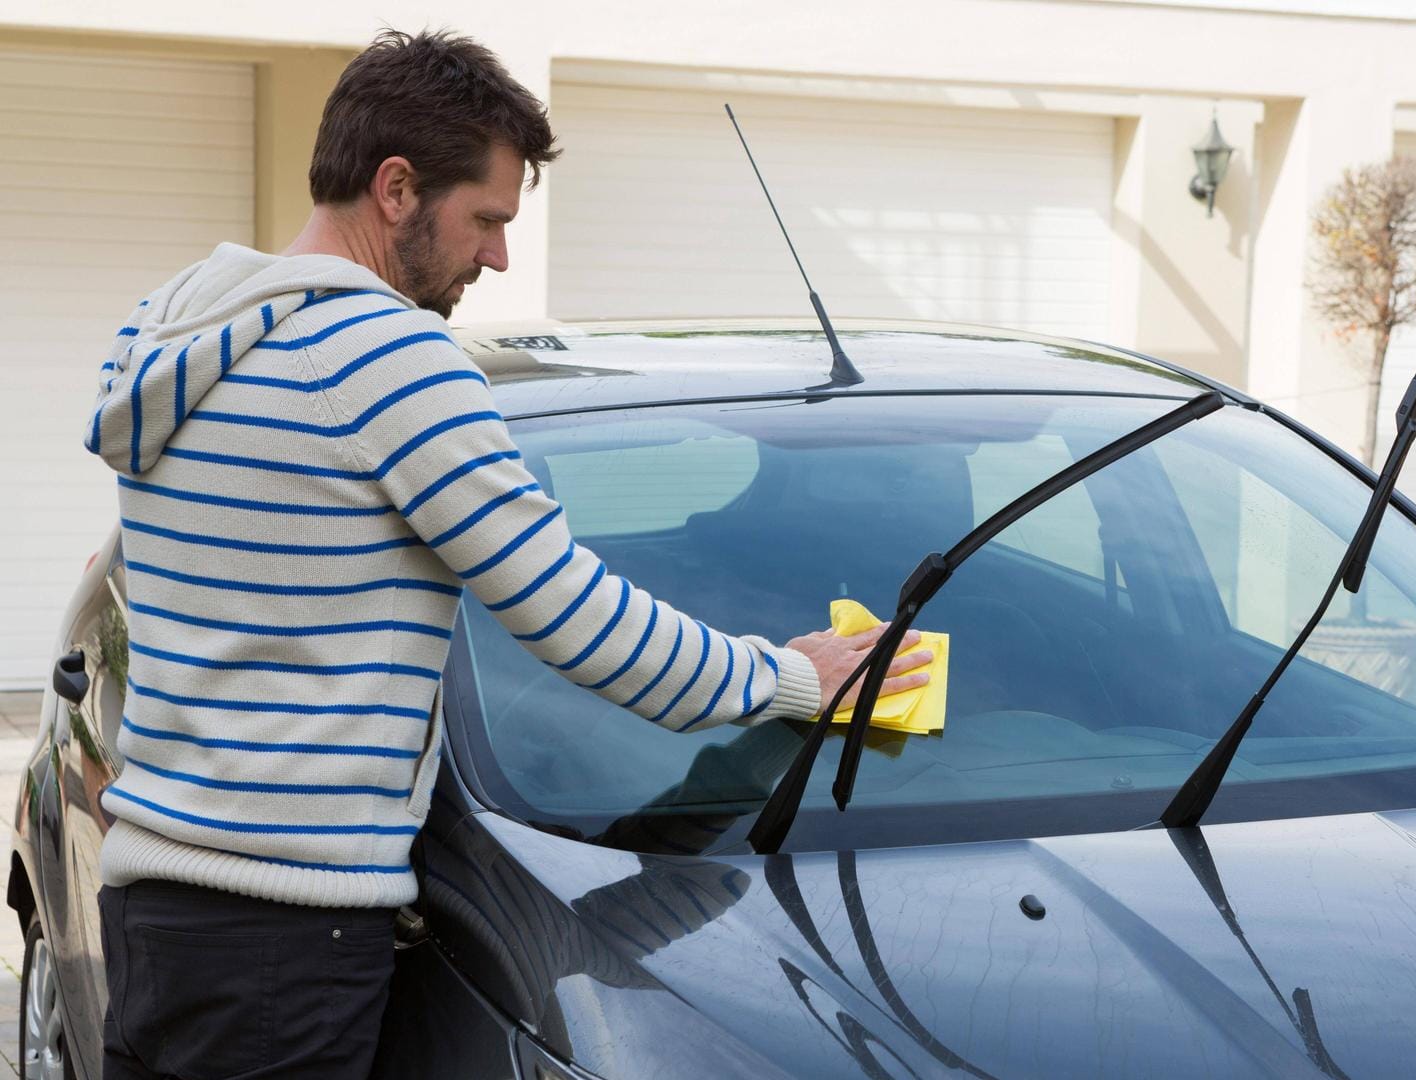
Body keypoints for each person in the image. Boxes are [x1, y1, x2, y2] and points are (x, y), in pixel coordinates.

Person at [82, 28, 931, 1079]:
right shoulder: (388, 358)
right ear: (396, 189)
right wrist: (799, 680)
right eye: (484, 218)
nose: (498, 255)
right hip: (286, 940)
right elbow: (581, 622)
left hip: (156, 910)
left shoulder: (179, 332)